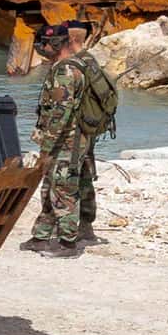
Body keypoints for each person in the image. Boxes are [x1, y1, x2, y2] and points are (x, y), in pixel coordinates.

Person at [25, 24, 99, 254]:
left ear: (55, 45)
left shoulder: (65, 72)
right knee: (51, 187)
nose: (41, 49)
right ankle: (41, 235)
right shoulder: (71, 66)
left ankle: (68, 242)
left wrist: (46, 147)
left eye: (44, 45)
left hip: (67, 142)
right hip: (66, 141)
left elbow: (60, 114)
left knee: (64, 189)